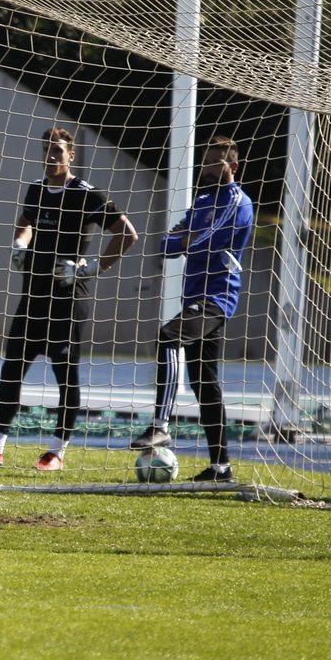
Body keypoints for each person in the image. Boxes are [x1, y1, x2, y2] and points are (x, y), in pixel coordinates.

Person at [0, 127, 139, 471]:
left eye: (57, 151)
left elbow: (127, 234)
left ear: (71, 155)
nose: (50, 157)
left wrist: (92, 268)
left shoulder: (87, 194)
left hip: (67, 298)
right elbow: (26, 223)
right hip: (33, 295)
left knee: (65, 374)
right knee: (11, 370)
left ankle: (56, 452)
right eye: (46, 151)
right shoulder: (37, 190)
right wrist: (20, 245)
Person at [129, 135, 256, 482]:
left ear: (233, 166)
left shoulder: (238, 202)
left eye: (216, 163)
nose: (208, 168)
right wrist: (185, 239)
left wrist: (187, 239)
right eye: (206, 162)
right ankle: (221, 467)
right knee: (205, 383)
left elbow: (201, 240)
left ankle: (159, 426)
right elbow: (166, 245)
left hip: (216, 298)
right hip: (195, 298)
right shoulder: (201, 201)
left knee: (167, 337)